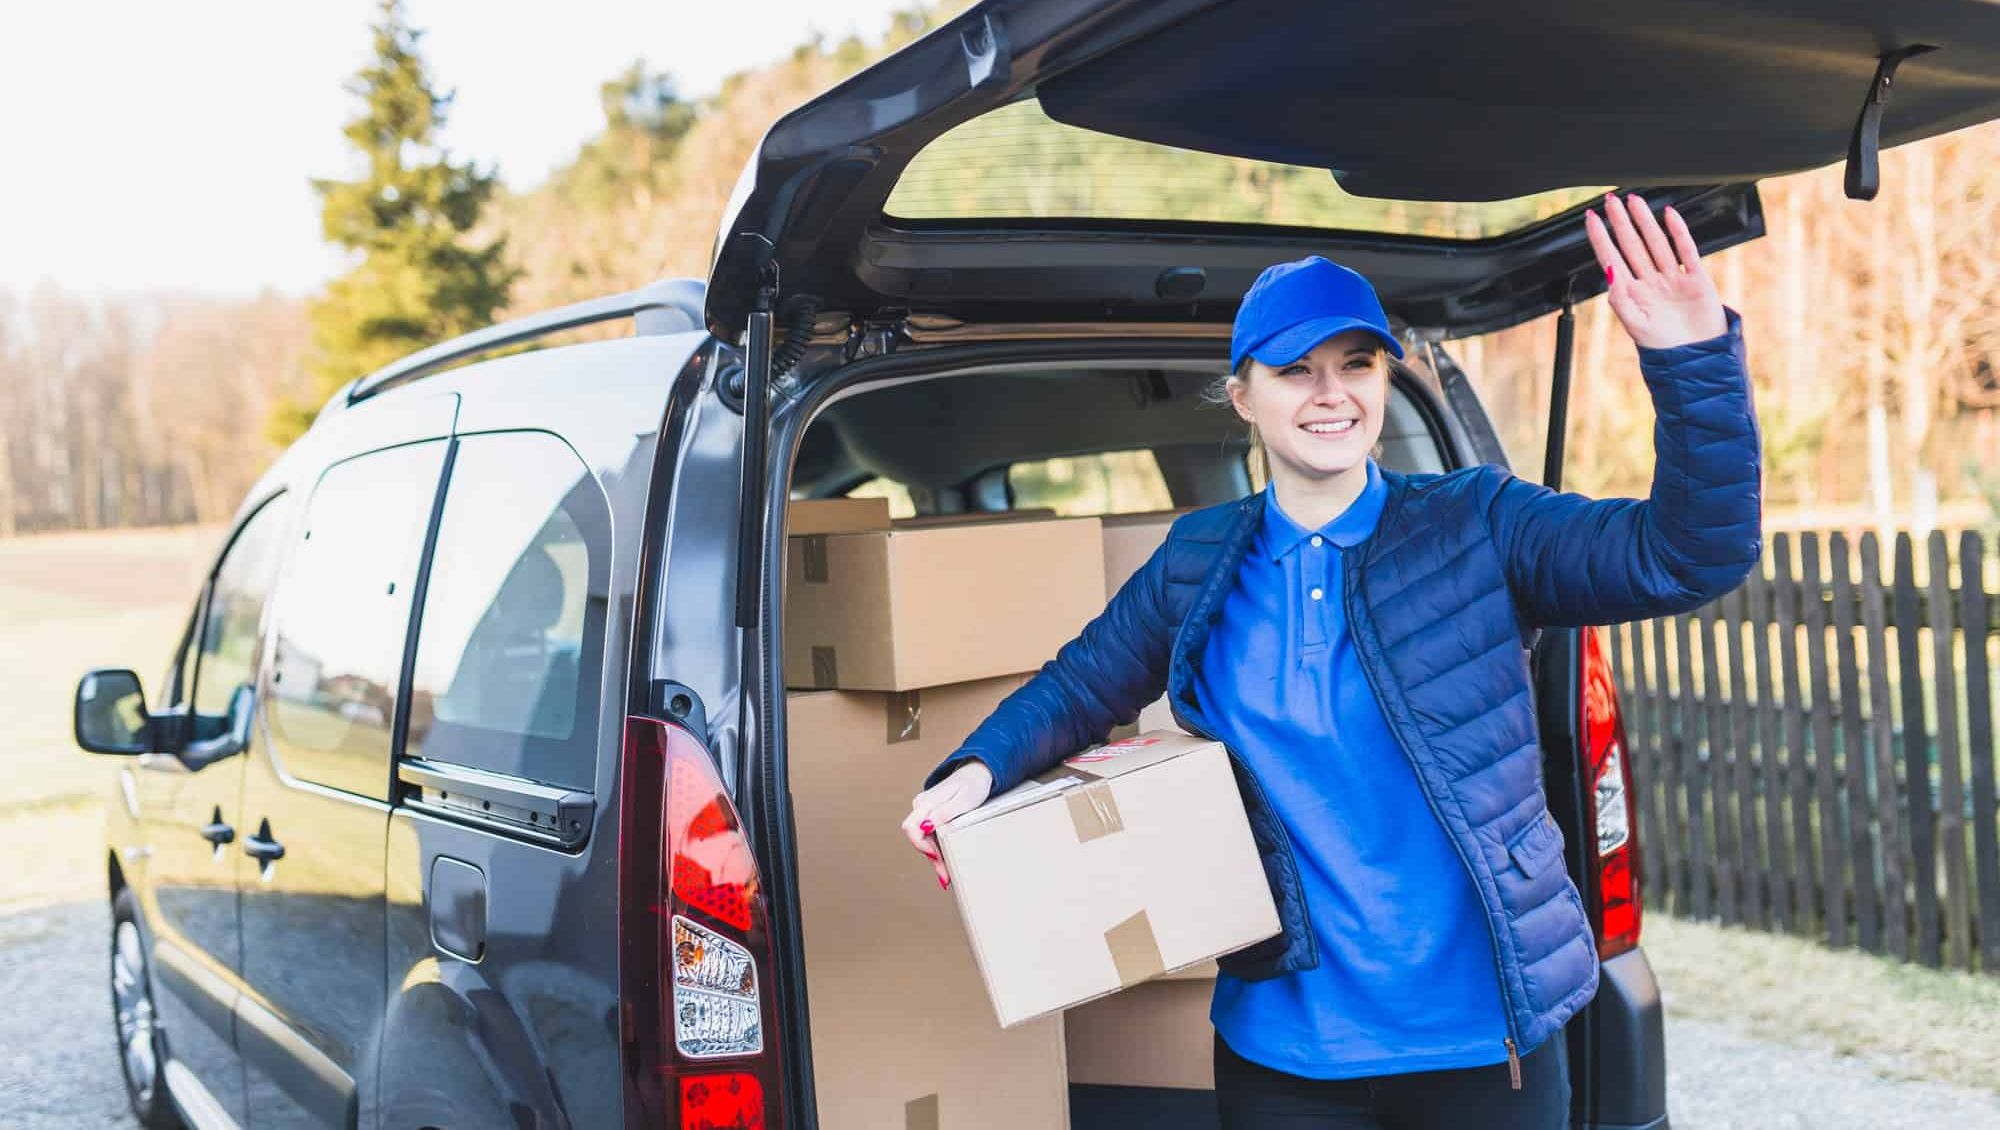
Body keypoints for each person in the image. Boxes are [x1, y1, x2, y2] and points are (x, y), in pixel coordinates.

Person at [900, 194, 1761, 1129]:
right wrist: (975, 773)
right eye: (1295, 371)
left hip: (1483, 1044)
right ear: (1243, 395)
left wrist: (1692, 362)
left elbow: (1686, 556)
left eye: (1356, 364)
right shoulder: (1198, 559)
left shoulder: (1477, 523)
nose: (1331, 394)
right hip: (1285, 1050)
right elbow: (1081, 684)